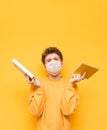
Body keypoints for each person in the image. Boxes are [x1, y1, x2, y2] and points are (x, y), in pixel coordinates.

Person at [25, 47, 86, 130]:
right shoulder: (36, 84)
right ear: (45, 66)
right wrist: (39, 88)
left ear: (61, 63)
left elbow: (67, 111)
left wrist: (70, 84)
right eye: (49, 60)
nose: (53, 62)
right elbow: (35, 112)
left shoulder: (70, 84)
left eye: (56, 59)